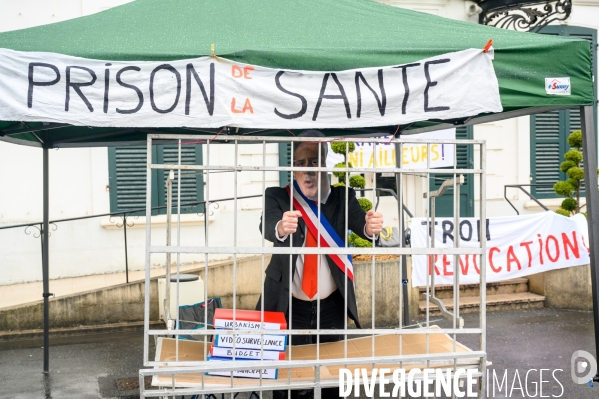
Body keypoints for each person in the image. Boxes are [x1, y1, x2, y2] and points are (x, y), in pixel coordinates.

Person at [257, 130, 384, 399]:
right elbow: (266, 225)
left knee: (329, 378)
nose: (307, 170)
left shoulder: (342, 197)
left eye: (314, 162)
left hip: (331, 307)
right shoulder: (278, 196)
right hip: (287, 305)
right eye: (301, 163)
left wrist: (370, 227)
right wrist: (280, 226)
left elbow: (361, 223)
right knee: (287, 378)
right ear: (292, 166)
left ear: (324, 165)